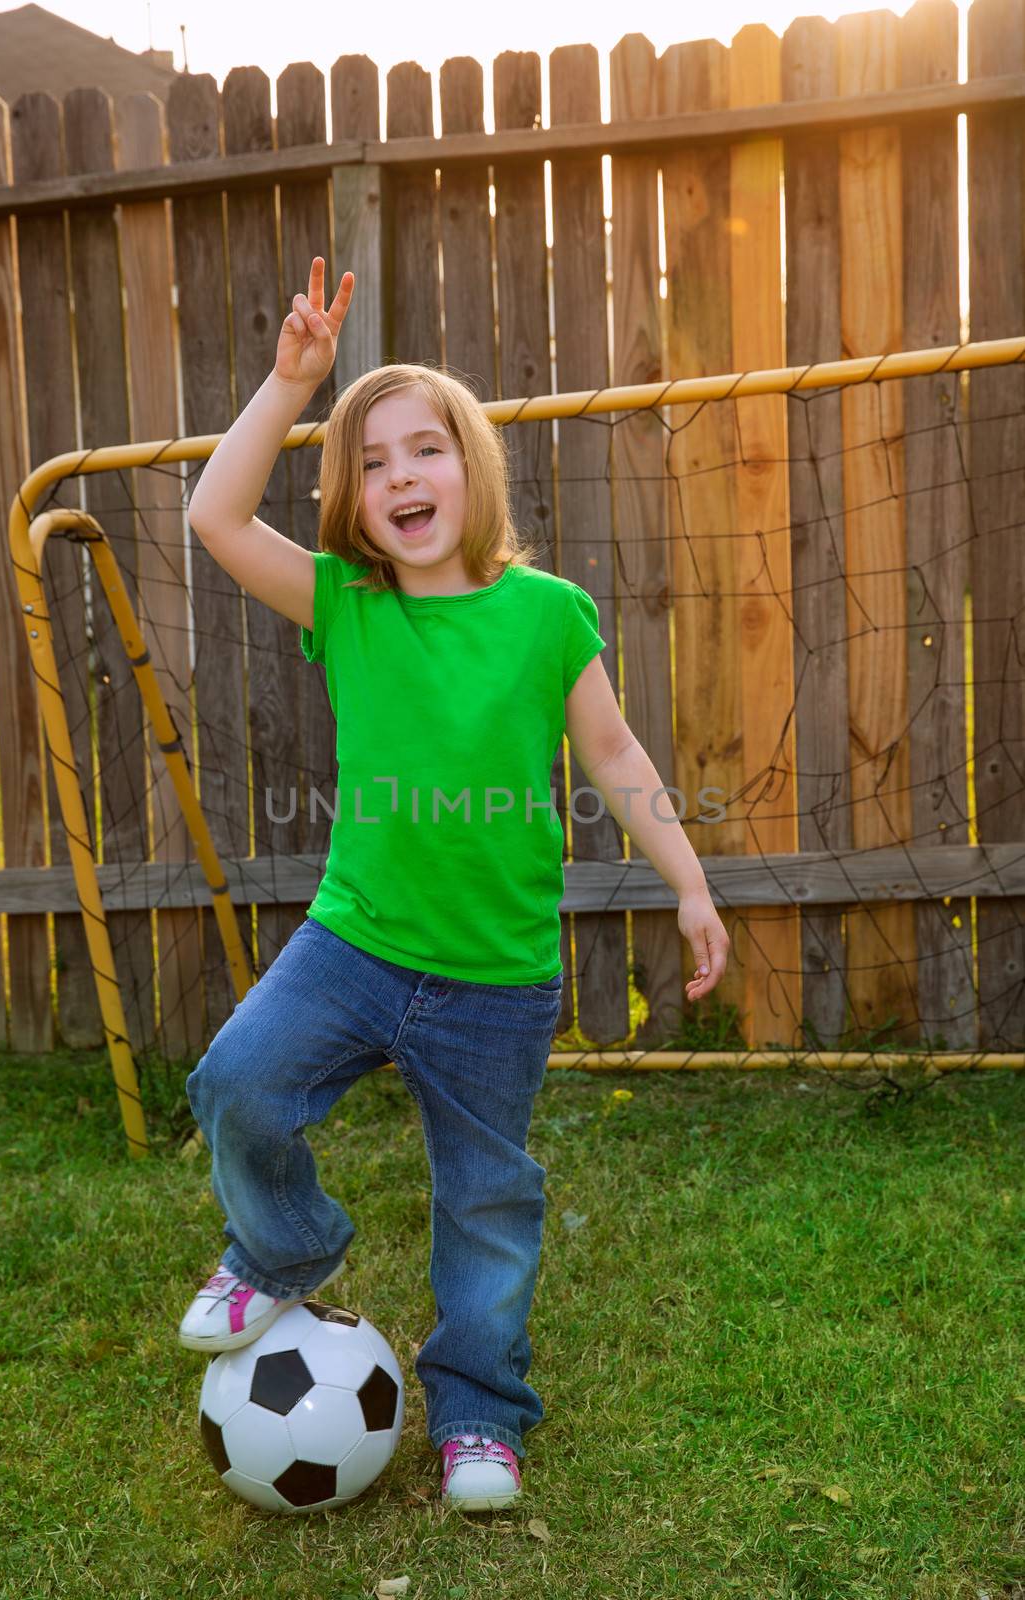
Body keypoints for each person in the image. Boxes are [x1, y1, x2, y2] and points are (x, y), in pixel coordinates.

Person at [178, 257, 729, 1512]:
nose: (399, 479)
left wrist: (687, 884)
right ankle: (284, 1243)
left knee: (485, 1201)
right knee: (237, 1084)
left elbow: (613, 752)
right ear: (351, 501)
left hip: (494, 979)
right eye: (369, 464)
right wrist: (287, 384)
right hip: (353, 945)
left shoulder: (547, 615)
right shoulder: (346, 603)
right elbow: (213, 519)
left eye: (423, 450)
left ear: (470, 468)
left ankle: (478, 1414)